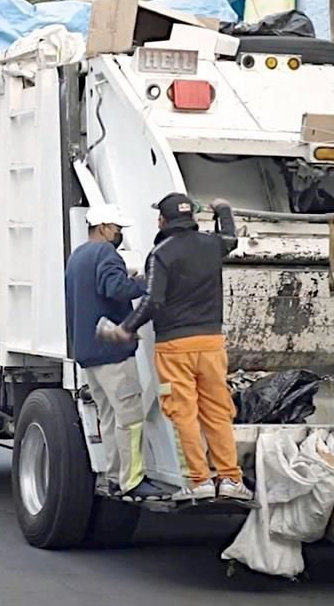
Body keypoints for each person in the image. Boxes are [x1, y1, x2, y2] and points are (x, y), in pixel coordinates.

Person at [98, 193, 252, 502]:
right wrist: (223, 208)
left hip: (175, 347)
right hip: (211, 343)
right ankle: (231, 479)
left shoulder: (161, 254)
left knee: (184, 413)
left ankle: (199, 481)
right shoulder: (212, 245)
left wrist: (125, 329)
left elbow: (153, 300)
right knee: (217, 411)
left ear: (162, 221)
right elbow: (231, 238)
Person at [64, 204, 166, 501]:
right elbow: (115, 288)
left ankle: (114, 477)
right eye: (117, 229)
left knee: (108, 417)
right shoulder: (106, 254)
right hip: (113, 353)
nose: (119, 234)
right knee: (130, 417)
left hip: (88, 352)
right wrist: (147, 282)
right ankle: (132, 481)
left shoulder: (78, 256)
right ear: (103, 227)